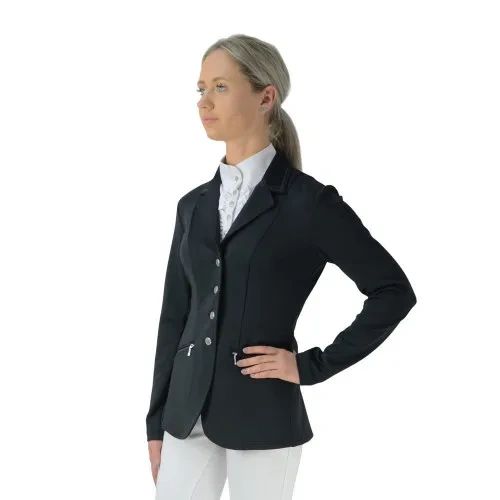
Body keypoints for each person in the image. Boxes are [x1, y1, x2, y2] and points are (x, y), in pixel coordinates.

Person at [146, 34, 417, 500]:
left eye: (220, 87)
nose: (204, 102)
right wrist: (155, 423)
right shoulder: (192, 206)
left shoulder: (308, 203)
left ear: (265, 96)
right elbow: (175, 317)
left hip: (263, 415)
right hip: (185, 416)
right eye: (201, 88)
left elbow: (393, 291)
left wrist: (311, 366)